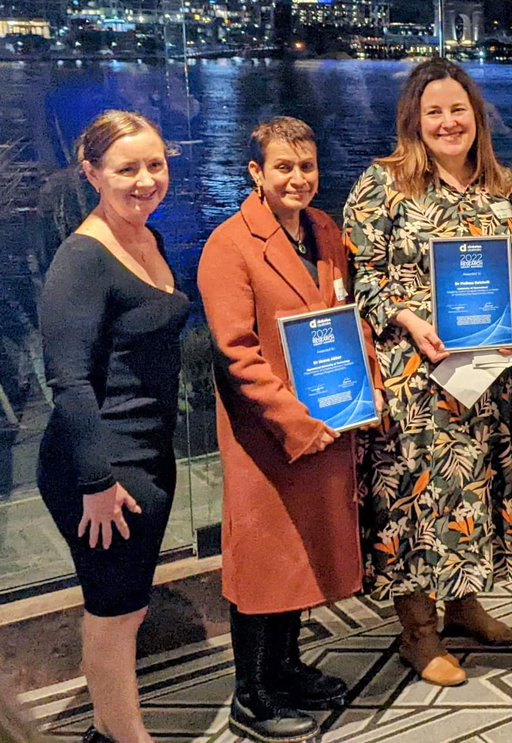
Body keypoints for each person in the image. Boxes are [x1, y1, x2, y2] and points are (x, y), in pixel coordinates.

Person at [343, 57, 512, 688]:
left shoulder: (504, 188)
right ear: (414, 120)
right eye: (434, 112)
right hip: (415, 380)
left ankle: (466, 604)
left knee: (473, 492)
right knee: (415, 503)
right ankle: (418, 634)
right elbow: (362, 279)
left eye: (459, 110)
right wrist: (407, 318)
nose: (448, 122)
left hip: (484, 379)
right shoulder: (383, 185)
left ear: (476, 117)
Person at [198, 117, 371, 741]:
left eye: (307, 167)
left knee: (300, 555)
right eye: (284, 168)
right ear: (256, 173)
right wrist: (296, 423)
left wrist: (363, 395)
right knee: (262, 564)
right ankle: (251, 693)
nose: (298, 179)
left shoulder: (326, 231)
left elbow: (347, 319)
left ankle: (289, 668)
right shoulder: (228, 245)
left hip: (327, 423)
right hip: (266, 438)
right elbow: (236, 354)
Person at [37, 110, 189, 743]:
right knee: (114, 612)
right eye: (127, 169)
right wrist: (96, 482)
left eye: (155, 164)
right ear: (92, 173)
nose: (145, 180)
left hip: (146, 449)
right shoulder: (83, 257)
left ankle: (108, 730)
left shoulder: (145, 237)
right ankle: (126, 738)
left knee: (128, 604)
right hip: (101, 465)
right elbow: (67, 382)